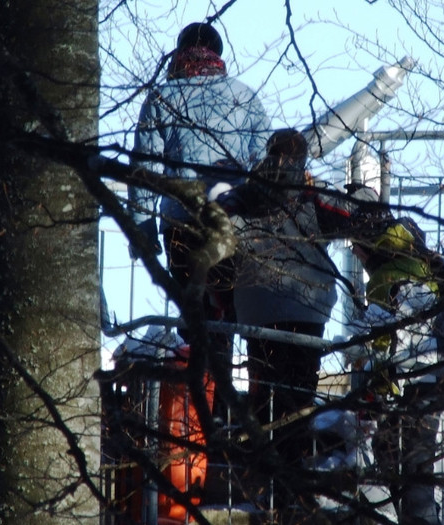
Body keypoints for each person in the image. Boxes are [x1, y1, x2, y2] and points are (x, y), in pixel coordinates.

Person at [127, 22, 270, 384]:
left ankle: (196, 405)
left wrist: (142, 230)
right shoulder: (245, 97)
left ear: (179, 53)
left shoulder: (162, 98)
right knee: (224, 316)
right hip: (230, 223)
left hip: (180, 225)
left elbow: (146, 169)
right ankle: (219, 410)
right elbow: (262, 169)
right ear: (219, 55)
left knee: (193, 317)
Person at [219, 129, 350, 506]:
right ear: (302, 159)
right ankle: (290, 480)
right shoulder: (313, 195)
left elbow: (221, 229)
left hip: (256, 305)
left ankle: (263, 477)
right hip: (304, 305)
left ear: (269, 152)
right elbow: (348, 218)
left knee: (265, 387)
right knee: (299, 390)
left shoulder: (244, 193)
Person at [347, 211, 444, 525]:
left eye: (355, 248)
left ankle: (417, 519)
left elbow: (379, 341)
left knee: (403, 456)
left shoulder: (383, 277)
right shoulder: (425, 264)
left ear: (370, 246)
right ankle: (418, 517)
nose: (354, 255)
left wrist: (358, 355)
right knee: (415, 460)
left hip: (417, 376)